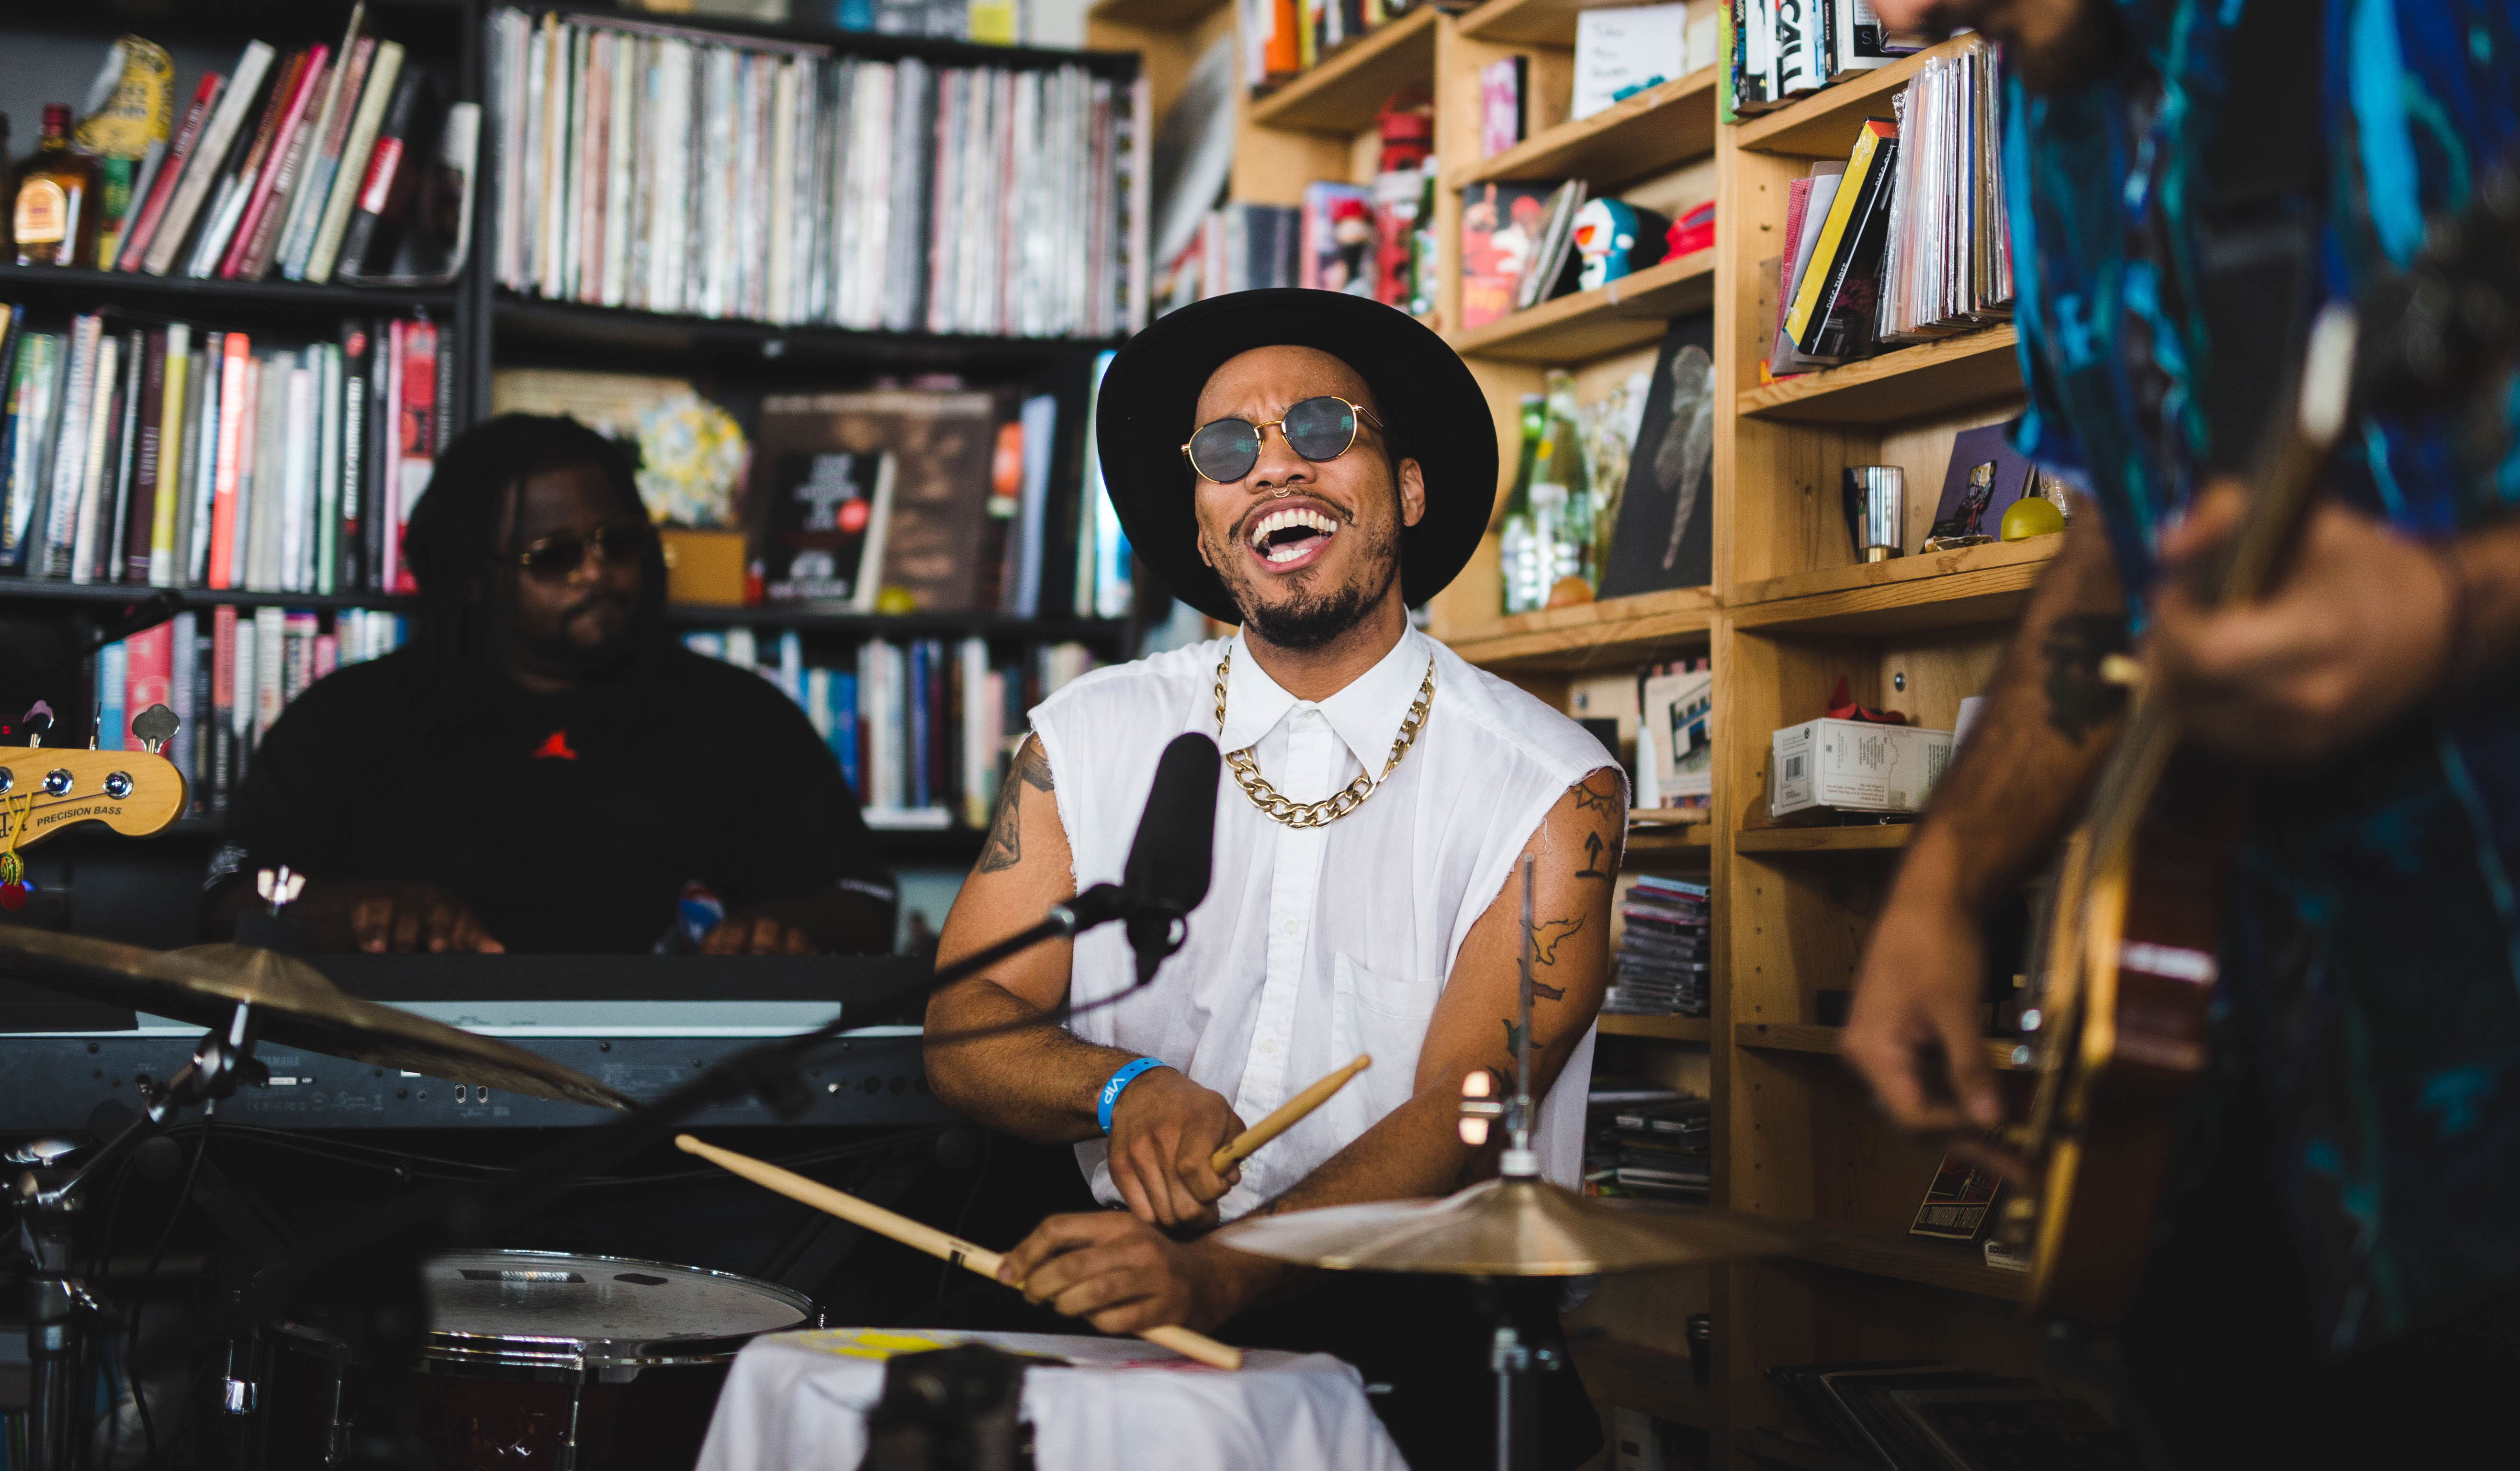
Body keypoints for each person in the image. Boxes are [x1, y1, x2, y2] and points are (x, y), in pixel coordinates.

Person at [1844, 0, 2520, 1463]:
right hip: (2227, 1133)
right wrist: (1951, 877)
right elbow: (2125, 542)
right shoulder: (2036, 96)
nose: (1891, 19)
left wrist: (2459, 604)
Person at [921, 290, 1620, 1470]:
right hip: (1119, 1275)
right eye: (1229, 450)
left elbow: (1465, 1111)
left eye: (1318, 428)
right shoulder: (1084, 742)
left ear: (1403, 489)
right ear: (1202, 531)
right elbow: (962, 1030)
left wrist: (1218, 1273)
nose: (1273, 467)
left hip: (1414, 1313)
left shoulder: (1552, 790)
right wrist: (1122, 1086)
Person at [217, 414, 895, 955]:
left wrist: (786, 925)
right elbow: (229, 898)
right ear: (475, 578)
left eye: (619, 542)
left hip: (690, 1090)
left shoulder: (742, 715)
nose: (596, 573)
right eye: (555, 556)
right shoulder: (349, 719)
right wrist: (362, 909)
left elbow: (866, 901)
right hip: (417, 1082)